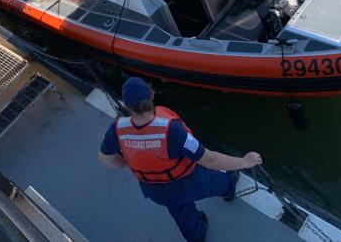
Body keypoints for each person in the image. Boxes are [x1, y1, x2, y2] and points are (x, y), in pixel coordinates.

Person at [99, 77, 262, 241]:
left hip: (154, 190)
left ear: (127, 106)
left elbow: (105, 158)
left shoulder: (117, 129)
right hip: (189, 182)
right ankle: (229, 191)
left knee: (180, 212)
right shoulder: (172, 131)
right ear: (151, 96)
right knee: (218, 181)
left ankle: (197, 236)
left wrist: (130, 163)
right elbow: (209, 160)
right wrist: (244, 162)